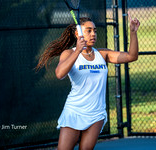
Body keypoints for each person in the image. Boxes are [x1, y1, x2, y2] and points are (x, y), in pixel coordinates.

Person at [35, 12, 140, 150]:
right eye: (88, 31)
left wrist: (133, 32)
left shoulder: (102, 54)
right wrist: (78, 51)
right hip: (74, 111)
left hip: (96, 113)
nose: (93, 34)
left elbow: (132, 56)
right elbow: (59, 74)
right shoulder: (68, 53)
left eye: (94, 31)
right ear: (78, 34)